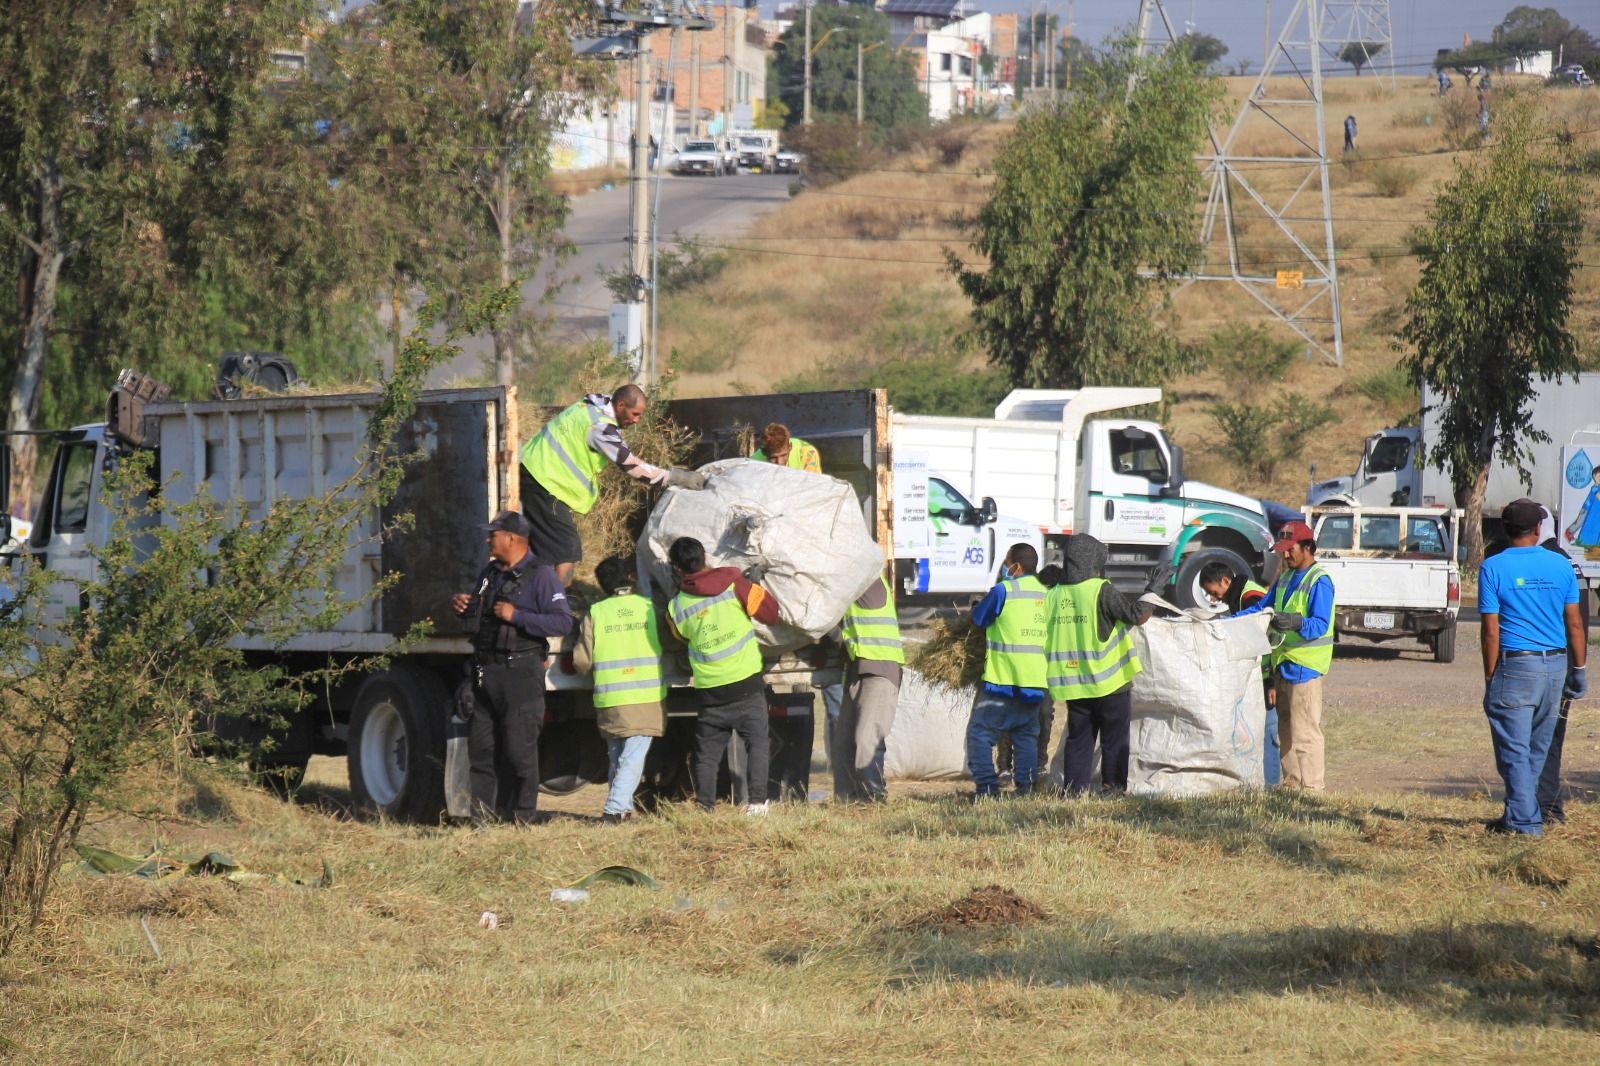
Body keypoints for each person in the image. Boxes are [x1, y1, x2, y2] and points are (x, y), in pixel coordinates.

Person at [449, 511, 572, 824]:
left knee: (520, 753)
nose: (487, 539)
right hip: (484, 672)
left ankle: (521, 819)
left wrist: (517, 616)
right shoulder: (490, 573)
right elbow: (480, 615)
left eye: (493, 534)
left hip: (521, 674)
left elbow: (562, 622)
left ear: (512, 538)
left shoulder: (542, 575)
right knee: (482, 751)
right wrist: (464, 607)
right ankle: (482, 819)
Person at [520, 385, 704, 585]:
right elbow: (632, 465)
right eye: (635, 414)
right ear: (621, 405)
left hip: (534, 473)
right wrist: (675, 477)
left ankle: (538, 592)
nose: (637, 420)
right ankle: (556, 599)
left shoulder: (589, 405)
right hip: (545, 484)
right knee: (566, 549)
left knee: (546, 550)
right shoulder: (600, 428)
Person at [1478, 498, 1586, 836]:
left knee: (1513, 752)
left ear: (1504, 529)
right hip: (1554, 666)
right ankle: (1518, 816)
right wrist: (1579, 670)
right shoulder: (1561, 565)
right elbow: (1575, 624)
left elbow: (1490, 631)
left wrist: (1490, 675)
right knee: (1537, 750)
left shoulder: (1493, 567)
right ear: (1539, 529)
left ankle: (1526, 824)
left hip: (1515, 665)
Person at [666, 536, 782, 815]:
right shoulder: (735, 585)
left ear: (678, 569)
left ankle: (705, 807)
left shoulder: (676, 607)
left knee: (707, 755)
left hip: (711, 692)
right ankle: (757, 804)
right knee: (757, 744)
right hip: (746, 684)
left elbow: (679, 637)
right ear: (705, 556)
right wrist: (755, 587)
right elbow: (771, 614)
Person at [1046, 535, 1159, 795]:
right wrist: (1153, 590)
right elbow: (1135, 615)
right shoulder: (1100, 590)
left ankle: (1074, 791)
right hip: (1110, 681)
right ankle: (1112, 788)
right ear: (1094, 561)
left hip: (1075, 683)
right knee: (1114, 738)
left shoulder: (1054, 595)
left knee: (1079, 739)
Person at [1237, 519, 1336, 791]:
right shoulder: (1285, 578)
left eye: (1290, 549)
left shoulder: (1319, 581)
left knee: (1306, 733)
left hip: (1305, 669)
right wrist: (1232, 620)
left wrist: (1295, 622)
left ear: (1307, 547)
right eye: (1283, 550)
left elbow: (1320, 625)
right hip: (1283, 665)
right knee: (1286, 731)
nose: (1286, 555)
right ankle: (1292, 785)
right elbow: (1261, 608)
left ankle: (1312, 790)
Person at [572, 555, 666, 825]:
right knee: (632, 757)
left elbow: (582, 662)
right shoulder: (649, 608)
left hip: (610, 697)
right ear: (631, 578)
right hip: (645, 696)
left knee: (618, 757)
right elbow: (670, 641)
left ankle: (622, 811)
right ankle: (614, 811)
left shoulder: (596, 612)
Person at [967, 543, 1049, 798]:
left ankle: (986, 789)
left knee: (979, 734)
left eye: (1006, 562)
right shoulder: (1048, 594)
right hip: (1035, 683)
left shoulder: (1005, 590)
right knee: (1025, 736)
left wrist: (976, 606)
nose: (1005, 568)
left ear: (1017, 566)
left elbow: (979, 618)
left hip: (1003, 680)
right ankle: (1025, 789)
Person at [1200, 560, 1276, 785]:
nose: (1213, 598)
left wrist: (1271, 682)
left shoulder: (1251, 597)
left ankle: (1270, 784)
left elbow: (1267, 641)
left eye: (1213, 592)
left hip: (1266, 676)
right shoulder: (1239, 596)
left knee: (1268, 732)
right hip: (1258, 675)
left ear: (1225, 581)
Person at [832, 571, 903, 803]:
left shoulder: (865, 579)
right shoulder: (851, 581)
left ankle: (874, 798)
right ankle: (847, 802)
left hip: (880, 669)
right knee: (843, 744)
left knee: (867, 739)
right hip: (857, 671)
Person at [752, 422, 822, 473]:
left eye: (783, 455)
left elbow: (812, 485)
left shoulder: (808, 453)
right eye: (773, 458)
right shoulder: (755, 462)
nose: (779, 463)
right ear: (764, 453)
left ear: (790, 447)